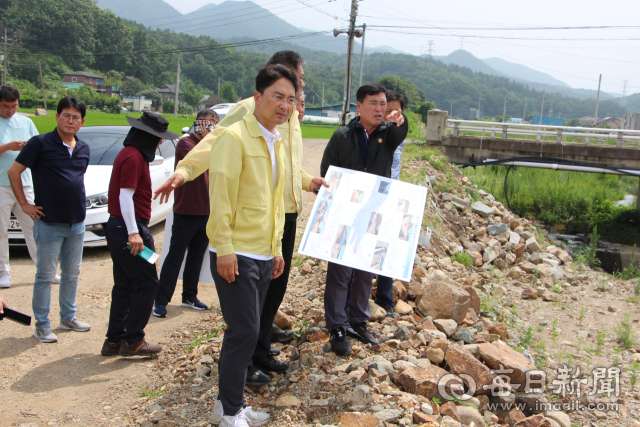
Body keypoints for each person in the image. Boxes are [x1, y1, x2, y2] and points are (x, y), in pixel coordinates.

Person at [153, 51, 327, 385]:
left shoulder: (288, 115)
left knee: (273, 294)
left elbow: (285, 165)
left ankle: (260, 351)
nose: (298, 88)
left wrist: (307, 181)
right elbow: (217, 139)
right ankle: (244, 364)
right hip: (257, 222)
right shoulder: (252, 108)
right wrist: (186, 170)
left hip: (284, 215)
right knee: (253, 301)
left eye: (297, 86)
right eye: (295, 80)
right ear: (273, 79)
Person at [206, 64, 297, 427]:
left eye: (291, 99)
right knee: (243, 330)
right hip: (237, 252)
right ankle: (229, 412)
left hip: (262, 252)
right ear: (257, 97)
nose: (285, 106)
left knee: (251, 328)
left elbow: (274, 202)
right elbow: (221, 197)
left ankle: (228, 404)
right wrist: (224, 248)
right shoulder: (234, 137)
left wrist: (276, 247)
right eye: (277, 96)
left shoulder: (274, 140)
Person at [319, 83, 407, 356]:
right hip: (346, 213)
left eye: (383, 104)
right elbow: (328, 172)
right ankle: (337, 327)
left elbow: (402, 131)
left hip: (374, 214)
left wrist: (401, 120)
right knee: (340, 271)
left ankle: (358, 320)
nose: (380, 109)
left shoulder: (388, 134)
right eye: (374, 103)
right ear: (359, 106)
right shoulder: (342, 136)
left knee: (366, 268)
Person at [8, 96, 91, 343]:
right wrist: (24, 205)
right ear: (57, 117)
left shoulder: (83, 147)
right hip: (48, 223)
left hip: (76, 223)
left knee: (72, 273)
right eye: (66, 115)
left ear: (82, 122)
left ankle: (68, 317)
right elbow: (14, 171)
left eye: (75, 117)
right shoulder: (40, 143)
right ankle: (42, 325)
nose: (70, 120)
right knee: (45, 276)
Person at [101, 112, 179, 357]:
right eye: (158, 139)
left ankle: (114, 340)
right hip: (130, 230)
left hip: (119, 228)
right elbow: (126, 196)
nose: (158, 144)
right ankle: (133, 339)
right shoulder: (134, 158)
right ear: (149, 137)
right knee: (148, 282)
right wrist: (134, 233)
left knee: (125, 284)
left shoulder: (128, 154)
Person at [153, 110, 219, 318]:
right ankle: (161, 301)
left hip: (207, 211)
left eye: (214, 124)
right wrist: (211, 138)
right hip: (187, 211)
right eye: (206, 123)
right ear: (197, 124)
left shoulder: (216, 145)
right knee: (175, 257)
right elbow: (198, 159)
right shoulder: (185, 144)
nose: (210, 127)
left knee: (197, 257)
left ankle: (189, 296)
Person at [0, 86, 60, 288]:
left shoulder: (26, 122)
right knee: (0, 231)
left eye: (14, 106)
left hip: (25, 183)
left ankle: (46, 270)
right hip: (1, 185)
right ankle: (3, 273)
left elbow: (39, 146)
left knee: (35, 229)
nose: (10, 111)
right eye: (6, 107)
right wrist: (8, 147)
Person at [373, 91, 407, 319]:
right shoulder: (372, 131)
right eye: (388, 110)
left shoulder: (397, 131)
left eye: (397, 110)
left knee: (385, 246)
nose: (392, 114)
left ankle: (384, 299)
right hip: (372, 194)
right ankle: (355, 299)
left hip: (392, 194)